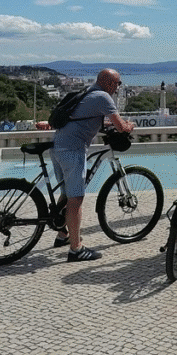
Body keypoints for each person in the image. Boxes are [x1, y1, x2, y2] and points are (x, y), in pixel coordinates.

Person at [51, 68, 135, 262]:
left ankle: (63, 233)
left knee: (66, 193)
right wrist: (130, 126)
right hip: (72, 150)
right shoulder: (103, 97)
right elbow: (121, 126)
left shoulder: (89, 92)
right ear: (109, 83)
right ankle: (76, 249)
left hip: (58, 146)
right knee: (76, 199)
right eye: (118, 83)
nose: (118, 87)